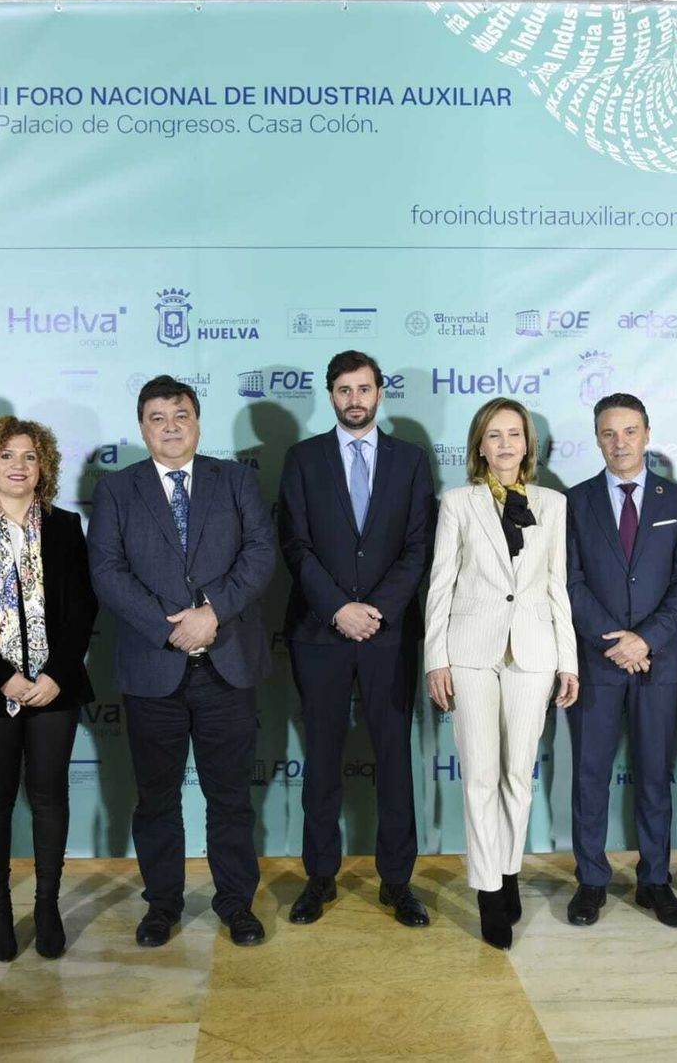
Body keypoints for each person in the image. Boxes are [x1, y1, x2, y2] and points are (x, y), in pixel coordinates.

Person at [86, 375, 276, 948]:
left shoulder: (236, 480)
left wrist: (212, 613)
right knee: (156, 800)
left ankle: (236, 903)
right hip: (153, 668)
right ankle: (162, 905)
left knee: (230, 798)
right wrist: (169, 627)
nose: (170, 427)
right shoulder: (117, 489)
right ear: (142, 427)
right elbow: (107, 570)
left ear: (197, 422)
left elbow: (260, 553)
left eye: (180, 415)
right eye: (157, 418)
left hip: (227, 666)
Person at [278, 350, 435, 928]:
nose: (354, 399)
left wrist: (378, 611)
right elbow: (295, 544)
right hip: (320, 633)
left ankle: (398, 882)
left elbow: (418, 546)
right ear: (330, 396)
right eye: (343, 390)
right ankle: (320, 877)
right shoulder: (302, 458)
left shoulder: (410, 460)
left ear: (379, 393)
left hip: (389, 636)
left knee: (394, 759)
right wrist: (338, 609)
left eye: (363, 389)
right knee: (321, 759)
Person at [0, 417, 96, 961]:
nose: (19, 465)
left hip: (56, 689)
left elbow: (83, 609)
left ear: (43, 465)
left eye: (29, 456)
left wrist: (56, 675)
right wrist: (4, 677)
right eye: (6, 455)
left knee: (50, 797)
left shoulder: (65, 526)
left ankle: (47, 906)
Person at [424, 397, 579, 949]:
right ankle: (489, 890)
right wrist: (435, 657)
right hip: (470, 651)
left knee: (517, 773)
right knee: (481, 775)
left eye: (514, 434)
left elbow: (557, 584)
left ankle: (508, 869)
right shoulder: (458, 503)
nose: (506, 444)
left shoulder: (553, 504)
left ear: (527, 444)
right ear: (480, 446)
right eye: (495, 435)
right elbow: (441, 583)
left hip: (533, 651)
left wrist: (568, 659)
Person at [563, 393, 677, 928]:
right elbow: (570, 582)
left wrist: (645, 640)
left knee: (654, 776)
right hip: (597, 664)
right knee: (590, 775)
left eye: (629, 431)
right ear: (597, 438)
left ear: (646, 434)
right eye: (608, 433)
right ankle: (591, 880)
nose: (619, 443)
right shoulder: (574, 502)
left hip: (657, 662)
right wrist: (614, 643)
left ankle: (656, 881)